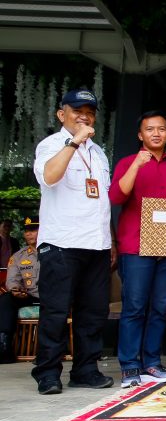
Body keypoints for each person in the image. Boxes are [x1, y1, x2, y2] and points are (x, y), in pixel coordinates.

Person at [31, 89, 115, 394]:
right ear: (61, 114)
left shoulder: (99, 153)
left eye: (90, 112)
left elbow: (101, 199)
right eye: (78, 111)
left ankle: (85, 369)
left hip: (96, 244)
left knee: (92, 313)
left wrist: (110, 241)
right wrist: (74, 141)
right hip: (61, 243)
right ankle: (47, 373)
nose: (85, 117)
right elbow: (49, 177)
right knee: (55, 312)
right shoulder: (51, 145)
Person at [109, 111, 166, 388]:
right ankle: (130, 366)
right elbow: (116, 197)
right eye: (150, 129)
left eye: (161, 129)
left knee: (160, 307)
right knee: (134, 307)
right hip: (135, 246)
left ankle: (151, 362)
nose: (156, 133)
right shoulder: (128, 162)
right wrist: (136, 166)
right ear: (140, 135)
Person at [0, 217, 40, 363]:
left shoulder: (55, 253)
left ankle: (47, 351)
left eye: (33, 230)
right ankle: (4, 345)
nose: (28, 234)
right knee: (6, 299)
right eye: (26, 230)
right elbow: (12, 280)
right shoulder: (18, 257)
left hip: (51, 295)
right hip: (28, 295)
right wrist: (15, 290)